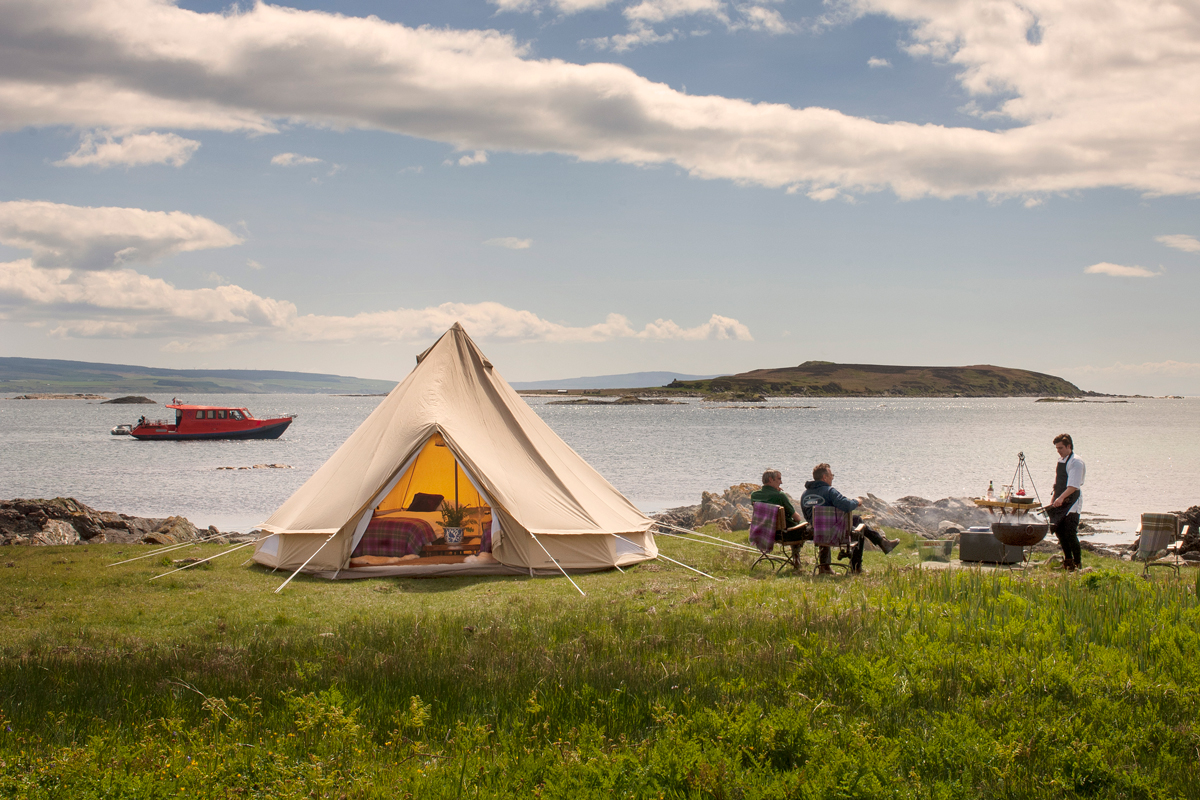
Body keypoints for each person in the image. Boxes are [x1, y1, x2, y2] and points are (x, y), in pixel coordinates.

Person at [801, 463, 900, 574]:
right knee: (860, 529)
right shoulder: (829, 491)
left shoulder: (805, 495)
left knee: (856, 519)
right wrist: (856, 501)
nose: (832, 478)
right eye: (831, 475)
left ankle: (824, 567)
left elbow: (807, 516)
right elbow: (847, 505)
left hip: (817, 533)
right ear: (824, 477)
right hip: (836, 534)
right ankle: (856, 566)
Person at [1047, 433, 1086, 571]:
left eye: (1061, 448)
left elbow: (1073, 486)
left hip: (1072, 501)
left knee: (1070, 532)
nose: (1058, 451)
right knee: (1059, 530)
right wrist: (1054, 499)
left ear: (1069, 446)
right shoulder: (1062, 460)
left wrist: (1061, 498)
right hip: (1060, 498)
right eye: (1057, 448)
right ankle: (1068, 561)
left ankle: (1077, 563)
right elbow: (1058, 483)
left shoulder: (1076, 462)